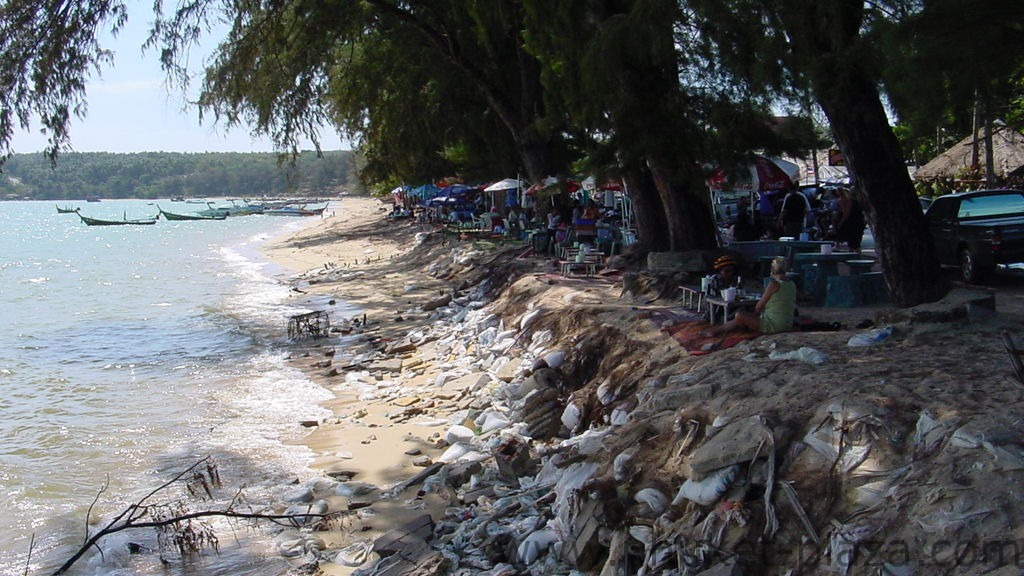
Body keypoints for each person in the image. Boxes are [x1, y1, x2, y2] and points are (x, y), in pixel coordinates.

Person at [702, 256, 796, 337]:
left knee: (740, 316)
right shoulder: (792, 284)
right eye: (726, 271)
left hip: (774, 325)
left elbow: (759, 306)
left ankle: (715, 330)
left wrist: (755, 313)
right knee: (741, 317)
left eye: (731, 271)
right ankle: (715, 330)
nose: (729, 273)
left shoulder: (773, 284)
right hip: (787, 324)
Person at [836, 187, 866, 253]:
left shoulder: (850, 201)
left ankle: (854, 256)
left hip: (852, 223)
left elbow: (846, 213)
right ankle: (854, 255)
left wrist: (841, 223)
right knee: (856, 241)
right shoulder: (860, 201)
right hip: (859, 222)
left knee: (853, 242)